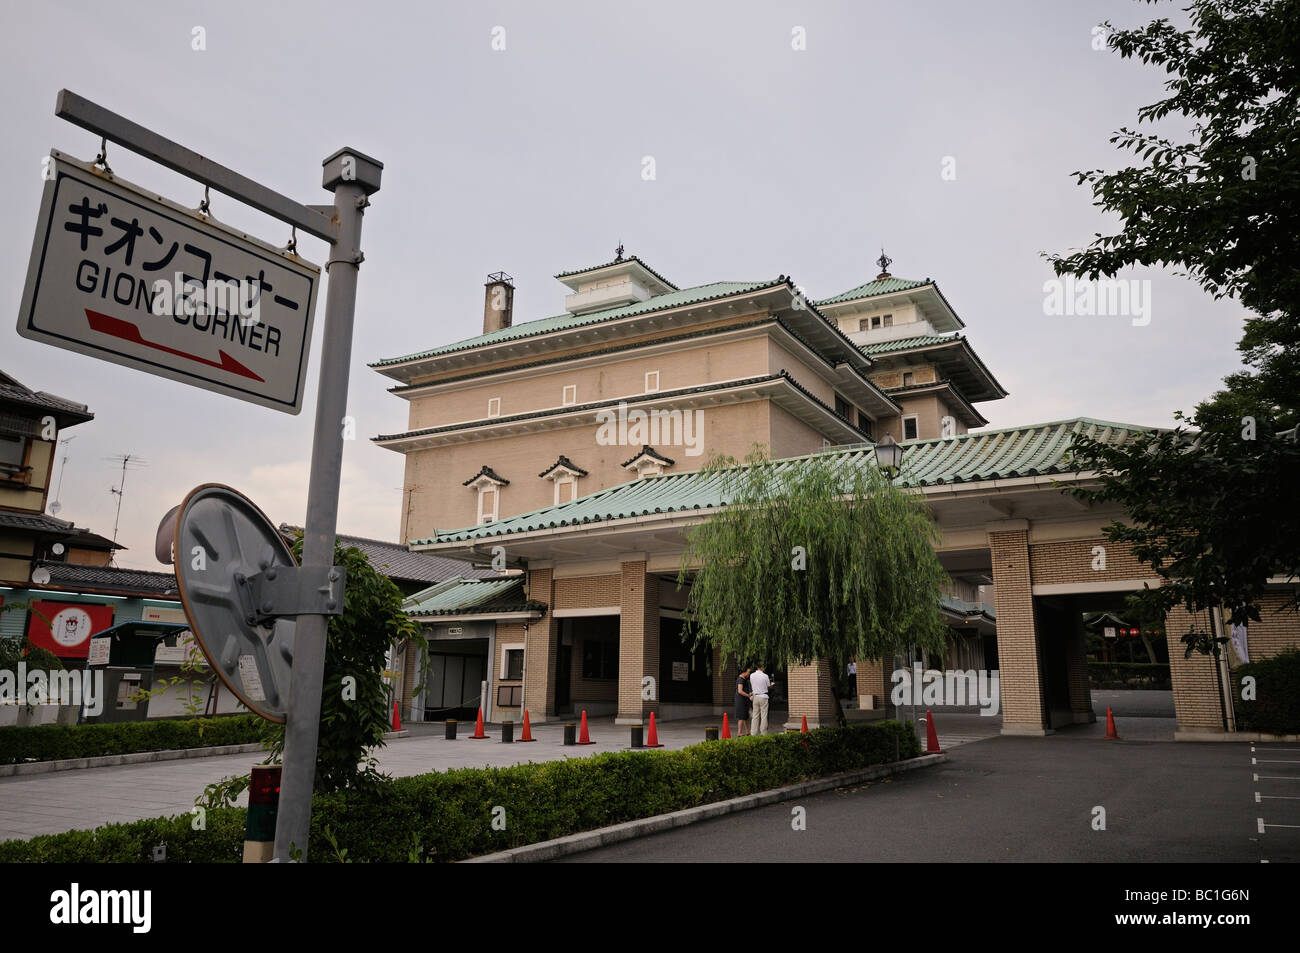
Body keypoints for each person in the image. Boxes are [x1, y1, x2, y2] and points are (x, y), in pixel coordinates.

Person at [749, 663, 772, 735]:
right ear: (762, 667)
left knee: (755, 716)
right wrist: (772, 684)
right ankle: (763, 732)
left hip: (755, 696)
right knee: (764, 715)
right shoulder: (765, 676)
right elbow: (768, 686)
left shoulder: (751, 675)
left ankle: (753, 733)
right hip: (763, 696)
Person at [734, 664, 752, 736]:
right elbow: (740, 691)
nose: (749, 673)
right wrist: (748, 695)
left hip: (744, 700)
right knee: (741, 717)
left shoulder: (744, 679)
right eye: (748, 672)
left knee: (745, 716)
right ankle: (739, 733)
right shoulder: (741, 679)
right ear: (744, 672)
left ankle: (748, 731)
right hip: (741, 700)